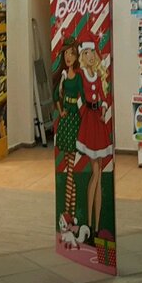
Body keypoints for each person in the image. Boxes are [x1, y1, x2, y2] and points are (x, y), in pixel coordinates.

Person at [75, 40, 112, 238]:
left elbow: (103, 97)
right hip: (89, 123)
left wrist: (104, 110)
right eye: (86, 52)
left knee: (99, 175)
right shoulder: (81, 75)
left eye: (92, 52)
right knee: (96, 172)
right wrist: (83, 114)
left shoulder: (97, 76)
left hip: (99, 122)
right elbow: (79, 97)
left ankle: (95, 225)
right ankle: (89, 222)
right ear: (82, 55)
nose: (90, 56)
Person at [53, 39, 83, 219]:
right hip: (65, 122)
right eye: (66, 54)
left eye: (72, 53)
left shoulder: (78, 77)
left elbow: (84, 97)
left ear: (76, 56)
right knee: (69, 167)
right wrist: (60, 110)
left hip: (74, 121)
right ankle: (70, 213)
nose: (68, 57)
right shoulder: (63, 76)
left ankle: (67, 211)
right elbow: (56, 95)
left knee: (71, 169)